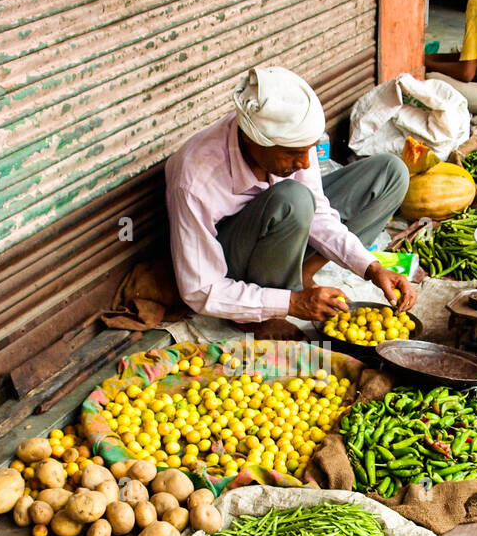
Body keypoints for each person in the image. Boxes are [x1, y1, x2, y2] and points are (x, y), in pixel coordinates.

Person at [165, 67, 416, 337]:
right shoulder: (194, 180)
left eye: (308, 149)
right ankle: (263, 312)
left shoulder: (286, 141)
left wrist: (372, 268)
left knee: (390, 172)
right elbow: (200, 288)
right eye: (294, 153)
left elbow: (318, 213)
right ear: (253, 140)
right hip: (236, 259)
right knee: (292, 199)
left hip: (284, 228)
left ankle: (302, 278)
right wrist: (291, 304)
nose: (306, 163)